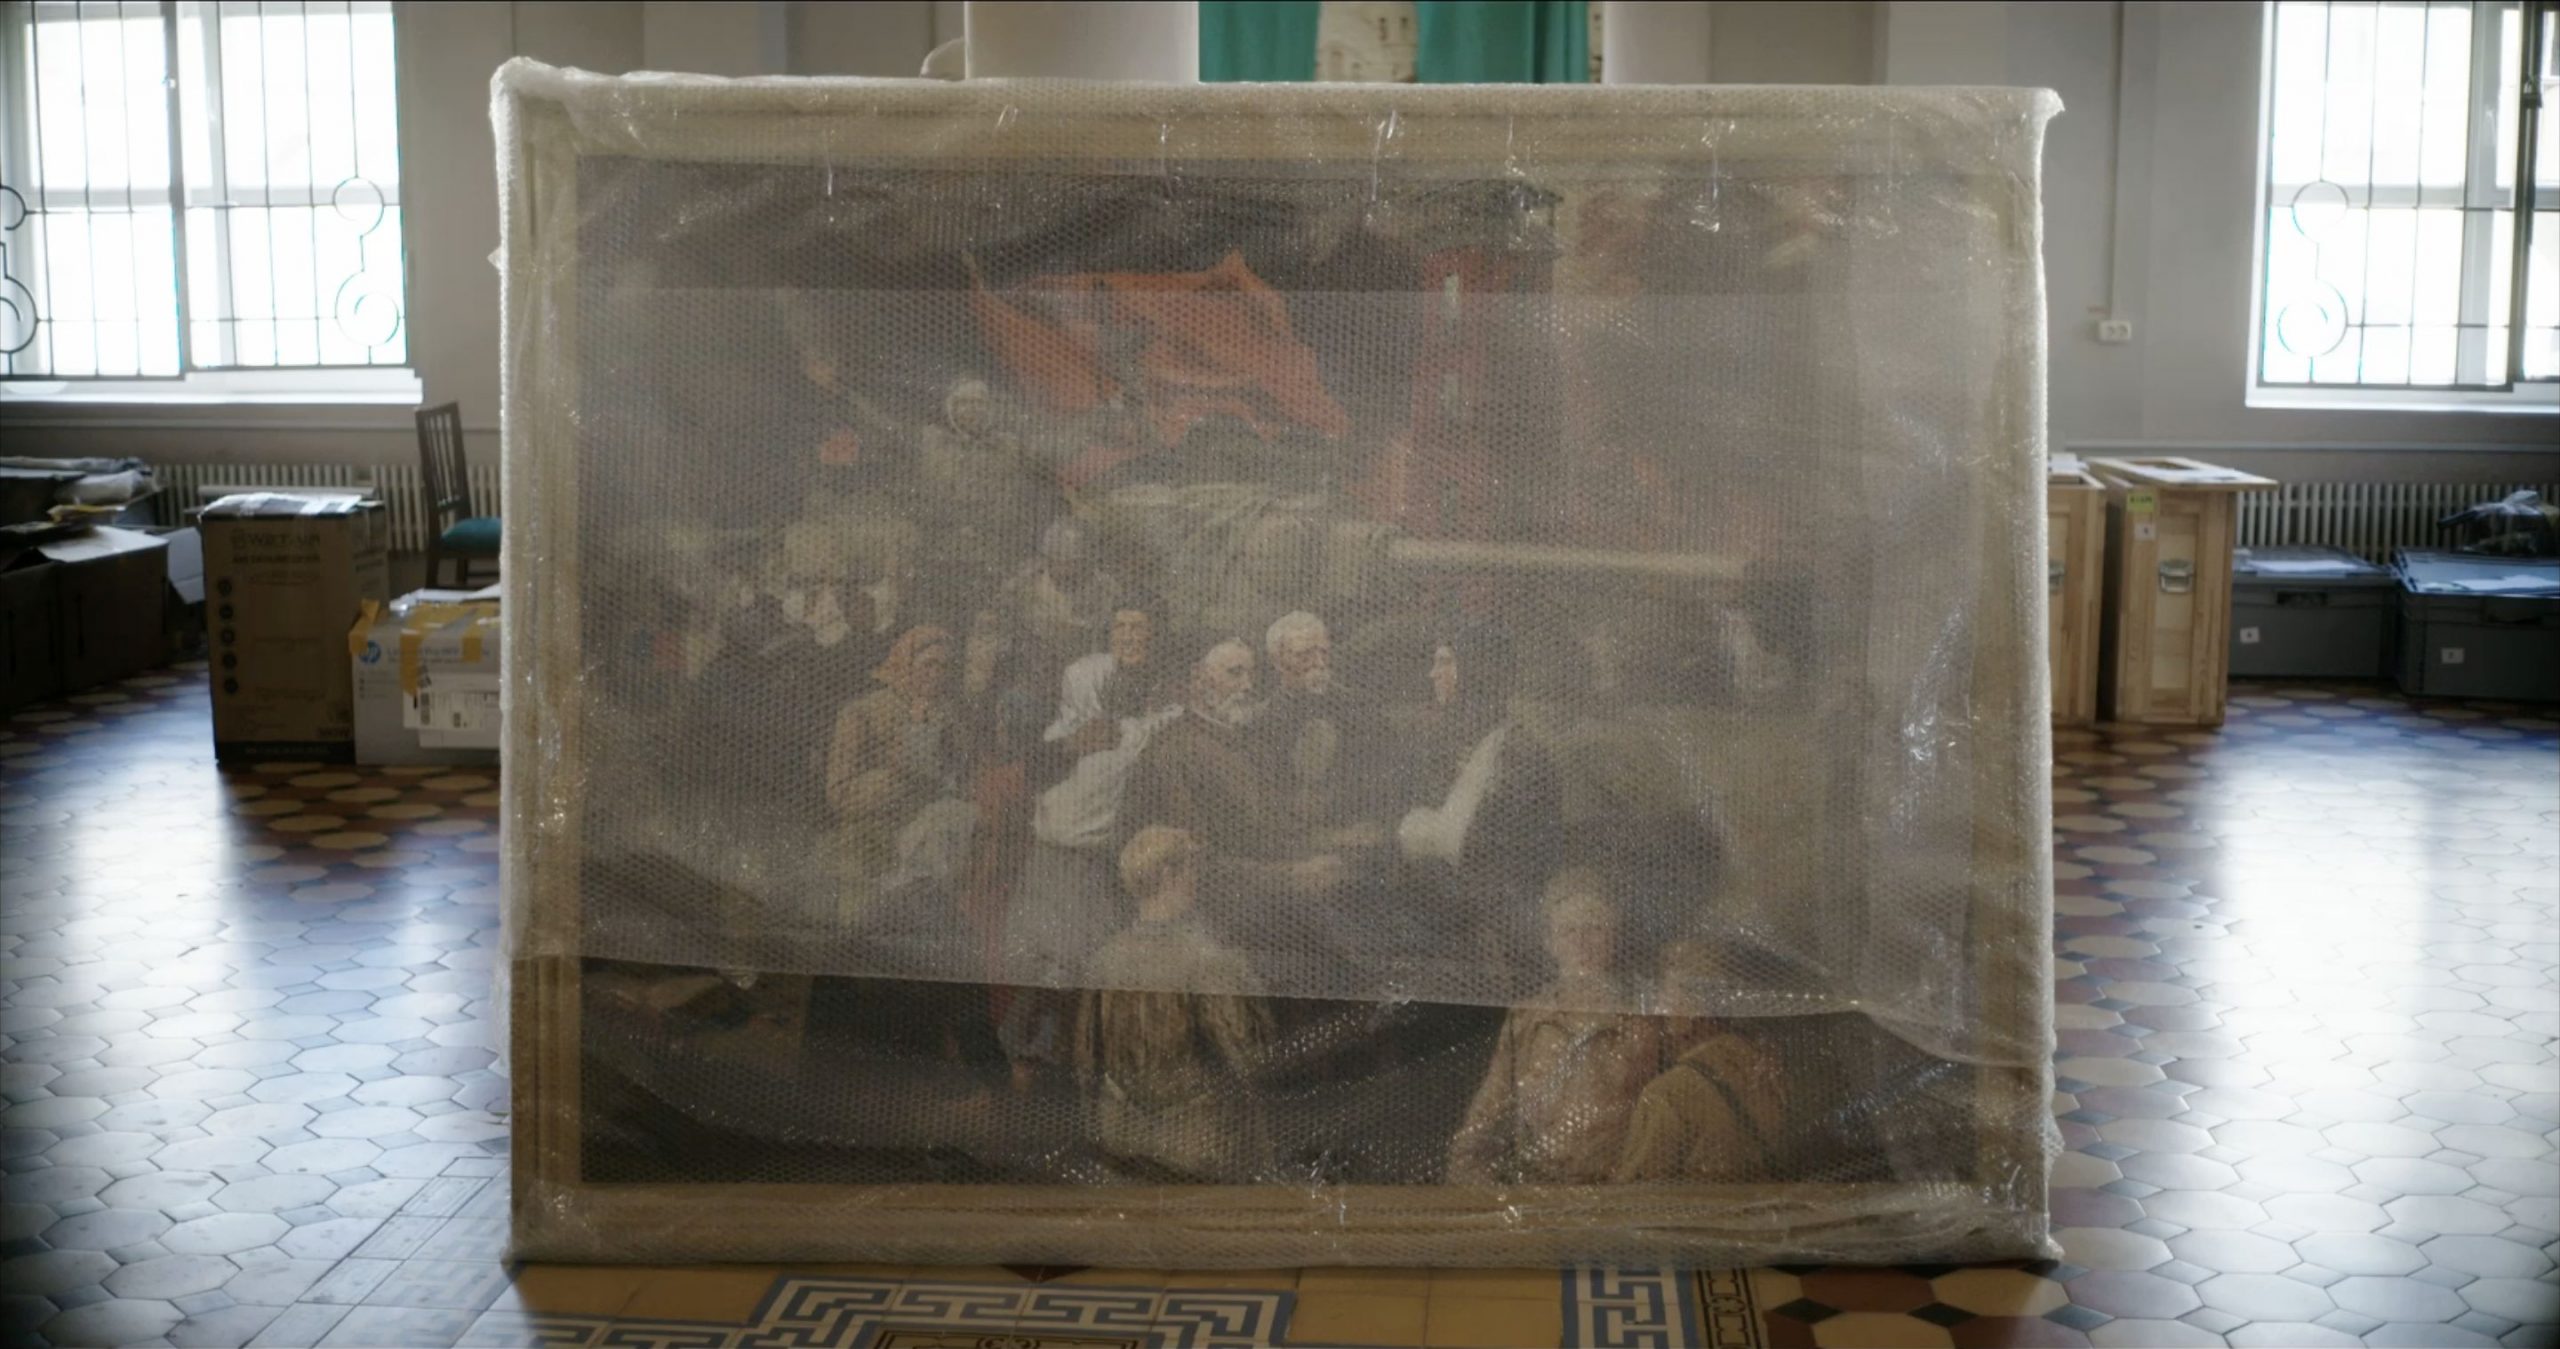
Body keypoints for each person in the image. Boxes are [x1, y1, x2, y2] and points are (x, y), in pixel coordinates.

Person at [1122, 638, 1351, 977]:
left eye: (1250, 674)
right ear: (1198, 677)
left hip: (1268, 893)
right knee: (1327, 963)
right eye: (1235, 673)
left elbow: (1277, 827)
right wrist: (1289, 875)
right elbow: (1192, 862)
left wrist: (1331, 842)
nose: (1247, 686)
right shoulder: (1170, 753)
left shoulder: (1248, 743)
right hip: (1213, 912)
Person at [1075, 826, 1275, 1181]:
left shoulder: (1106, 958)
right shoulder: (1208, 960)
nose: (1195, 880)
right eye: (1190, 869)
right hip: (1194, 1140)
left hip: (1121, 1135)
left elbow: (1086, 1059)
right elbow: (1247, 1054)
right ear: (1169, 875)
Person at [1445, 870, 1662, 1185]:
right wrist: (1469, 1172)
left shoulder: (1644, 1018)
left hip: (1621, 1188)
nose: (1582, 943)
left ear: (1614, 938)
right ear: (1550, 943)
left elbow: (1665, 1106)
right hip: (1538, 1184)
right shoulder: (1527, 1018)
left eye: (1594, 929)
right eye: (1568, 931)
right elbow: (1490, 1107)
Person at [1611, 938, 1794, 1184]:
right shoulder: (1765, 1069)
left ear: (1694, 1008)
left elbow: (1635, 1193)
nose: (1655, 1010)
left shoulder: (1667, 1094)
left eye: (1664, 997)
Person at [826, 626, 963, 881]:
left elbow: (959, 776)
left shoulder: (950, 717)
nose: (936, 675)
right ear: (905, 663)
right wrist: (898, 776)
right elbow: (840, 794)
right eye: (929, 664)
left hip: (930, 845)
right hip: (870, 842)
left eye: (944, 667)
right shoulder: (861, 713)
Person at [999, 519, 1124, 687]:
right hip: (1033, 669)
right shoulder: (1024, 583)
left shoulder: (1107, 590)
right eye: (1060, 562)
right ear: (1048, 559)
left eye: (1075, 563)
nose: (1067, 569)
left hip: (1085, 673)